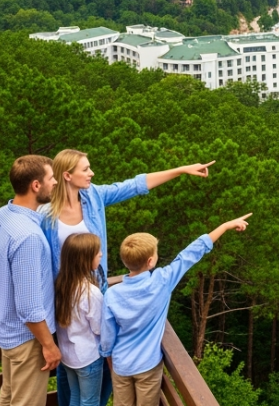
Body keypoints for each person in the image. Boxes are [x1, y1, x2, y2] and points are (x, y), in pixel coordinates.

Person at [42, 149, 216, 406]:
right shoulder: (45, 215)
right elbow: (34, 259)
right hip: (64, 300)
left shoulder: (94, 197)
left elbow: (135, 185)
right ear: (67, 175)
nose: (92, 173)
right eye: (85, 169)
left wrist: (181, 170)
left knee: (95, 373)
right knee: (71, 375)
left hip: (94, 294)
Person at [101, 214, 253, 406]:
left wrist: (109, 356)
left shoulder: (112, 294)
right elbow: (190, 254)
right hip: (147, 366)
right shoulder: (162, 281)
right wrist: (224, 226)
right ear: (150, 261)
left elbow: (107, 335)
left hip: (121, 365)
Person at [0, 155, 61, 406]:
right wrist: (49, 345)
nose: (55, 183)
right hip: (27, 339)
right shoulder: (28, 236)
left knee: (8, 398)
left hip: (6, 331)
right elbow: (29, 308)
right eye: (51, 178)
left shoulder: (2, 215)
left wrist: (1, 293)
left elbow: (1, 268)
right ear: (36, 185)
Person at [54, 233, 106, 406]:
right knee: (90, 401)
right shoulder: (91, 293)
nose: (101, 254)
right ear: (85, 259)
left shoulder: (60, 285)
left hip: (68, 356)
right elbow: (99, 329)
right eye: (97, 252)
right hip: (88, 358)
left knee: (75, 397)